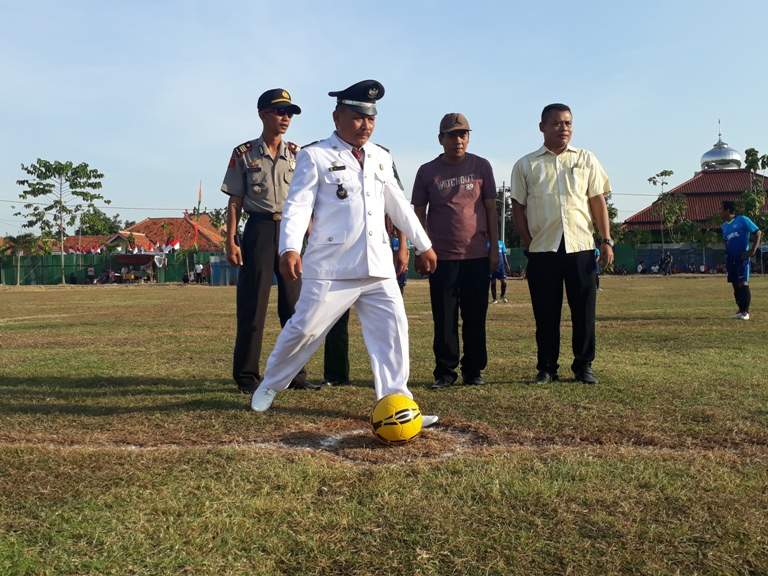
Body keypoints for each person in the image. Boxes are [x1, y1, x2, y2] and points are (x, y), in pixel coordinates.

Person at [249, 79, 439, 428]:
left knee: (393, 333)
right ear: (337, 117)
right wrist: (289, 247)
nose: (365, 125)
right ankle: (271, 384)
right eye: (357, 117)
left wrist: (422, 244)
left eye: (371, 118)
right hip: (332, 267)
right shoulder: (316, 156)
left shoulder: (381, 156)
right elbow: (298, 205)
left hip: (377, 265)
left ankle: (398, 402)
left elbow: (398, 204)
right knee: (305, 329)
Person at [221, 88, 319, 394]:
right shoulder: (244, 153)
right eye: (280, 112)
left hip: (291, 231)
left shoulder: (298, 154)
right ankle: (247, 376)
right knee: (253, 306)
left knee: (295, 306)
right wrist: (231, 240)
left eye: (289, 113)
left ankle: (295, 375)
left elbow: (306, 200)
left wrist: (311, 232)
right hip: (259, 230)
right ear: (263, 114)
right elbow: (235, 201)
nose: (286, 118)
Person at [511, 103, 614, 385]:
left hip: (580, 246)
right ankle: (547, 367)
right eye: (556, 123)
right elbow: (518, 207)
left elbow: (597, 201)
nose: (563, 128)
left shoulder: (586, 159)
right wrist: (528, 241)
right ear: (542, 127)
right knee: (546, 313)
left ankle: (583, 366)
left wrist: (606, 240)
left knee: (584, 312)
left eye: (568, 123)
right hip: (543, 249)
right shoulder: (526, 164)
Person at [412, 113, 498, 389]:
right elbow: (418, 212)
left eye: (463, 134)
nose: (458, 140)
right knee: (445, 317)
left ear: (468, 137)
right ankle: (445, 372)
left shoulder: (481, 166)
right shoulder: (427, 171)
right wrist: (422, 248)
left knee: (475, 317)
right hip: (442, 257)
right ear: (441, 139)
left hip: (476, 255)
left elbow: (491, 208)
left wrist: (494, 248)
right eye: (452, 135)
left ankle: (473, 370)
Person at [720, 201, 762, 320]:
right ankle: (740, 310)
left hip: (742, 258)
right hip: (731, 259)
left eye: (721, 209)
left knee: (743, 283)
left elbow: (758, 233)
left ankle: (746, 312)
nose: (720, 212)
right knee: (735, 284)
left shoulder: (743, 220)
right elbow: (726, 242)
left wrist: (752, 251)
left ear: (728, 210)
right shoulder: (724, 226)